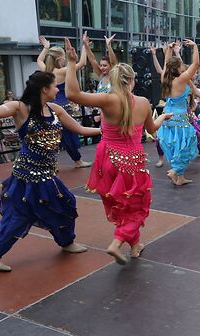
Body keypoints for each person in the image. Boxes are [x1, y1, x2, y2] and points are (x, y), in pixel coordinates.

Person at [64, 38, 171, 265]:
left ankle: (135, 246)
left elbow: (72, 94)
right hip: (131, 161)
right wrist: (161, 116)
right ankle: (117, 242)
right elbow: (152, 129)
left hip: (107, 160)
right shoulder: (143, 102)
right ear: (132, 81)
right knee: (138, 207)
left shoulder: (106, 100)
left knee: (123, 205)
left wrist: (72, 64)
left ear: (112, 79)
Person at [0, 70, 100, 272]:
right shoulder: (20, 108)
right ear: (45, 89)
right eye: (54, 86)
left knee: (66, 204)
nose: (57, 89)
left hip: (47, 176)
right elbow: (1, 109)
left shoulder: (55, 109)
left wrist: (106, 130)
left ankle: (66, 242)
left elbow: (79, 129)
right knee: (18, 217)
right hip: (26, 177)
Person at [37, 35, 92, 168]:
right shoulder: (62, 71)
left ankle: (50, 163)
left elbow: (39, 59)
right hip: (63, 107)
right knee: (69, 135)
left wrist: (46, 47)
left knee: (51, 136)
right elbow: (82, 63)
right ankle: (78, 161)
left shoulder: (45, 70)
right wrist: (85, 47)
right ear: (60, 59)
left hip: (48, 107)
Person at [157, 40, 200, 186]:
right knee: (186, 145)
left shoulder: (165, 78)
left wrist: (169, 50)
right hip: (179, 119)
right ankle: (175, 171)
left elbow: (165, 65)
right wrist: (195, 47)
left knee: (176, 147)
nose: (183, 66)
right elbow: (195, 65)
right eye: (181, 65)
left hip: (167, 117)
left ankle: (180, 178)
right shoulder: (181, 80)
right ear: (176, 68)